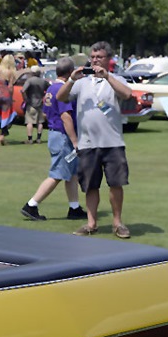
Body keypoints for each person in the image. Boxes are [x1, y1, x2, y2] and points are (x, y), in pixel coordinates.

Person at [56, 41, 133, 239]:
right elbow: (60, 97)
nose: (95, 60)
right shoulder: (82, 81)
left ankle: (117, 223)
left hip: (113, 142)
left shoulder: (116, 79)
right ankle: (91, 223)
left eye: (99, 57)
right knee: (90, 185)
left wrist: (107, 77)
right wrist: (72, 80)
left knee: (116, 183)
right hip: (87, 143)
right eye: (93, 57)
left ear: (108, 59)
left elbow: (127, 94)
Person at [20, 57, 85, 221]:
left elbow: (46, 112)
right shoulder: (61, 90)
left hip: (56, 133)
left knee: (71, 173)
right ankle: (31, 205)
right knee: (57, 173)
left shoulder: (51, 88)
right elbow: (66, 117)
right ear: (71, 72)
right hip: (62, 135)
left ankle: (74, 207)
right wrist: (75, 141)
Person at [0, 54, 17, 145]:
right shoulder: (10, 72)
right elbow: (10, 87)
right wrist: (11, 97)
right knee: (6, 115)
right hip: (6, 96)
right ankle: (2, 135)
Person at [22, 66, 49, 144]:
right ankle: (38, 138)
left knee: (29, 121)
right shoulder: (43, 81)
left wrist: (25, 99)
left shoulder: (29, 81)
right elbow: (49, 89)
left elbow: (23, 90)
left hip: (31, 103)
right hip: (40, 103)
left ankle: (30, 139)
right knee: (40, 122)